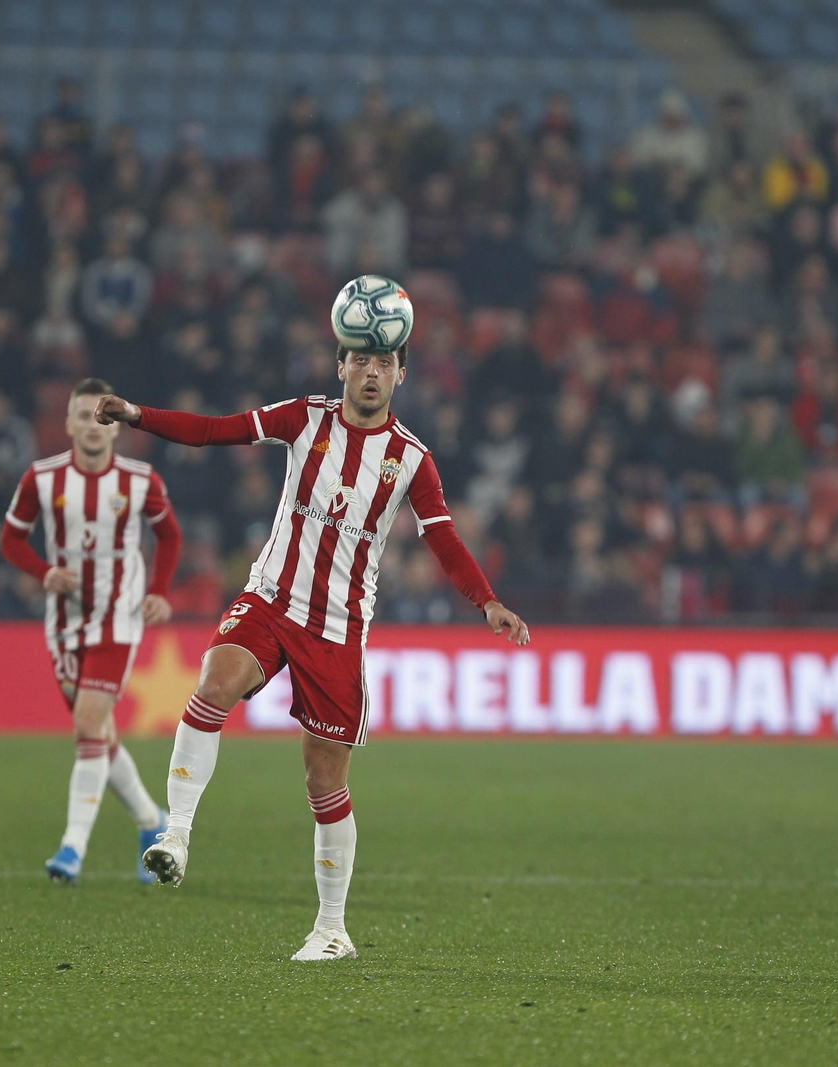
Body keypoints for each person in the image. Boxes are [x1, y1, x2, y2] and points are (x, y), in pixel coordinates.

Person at [92, 286, 530, 961]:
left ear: (401, 373)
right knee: (214, 684)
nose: (372, 371)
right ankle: (175, 833)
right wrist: (137, 415)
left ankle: (332, 929)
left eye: (384, 362)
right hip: (271, 599)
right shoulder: (304, 419)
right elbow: (216, 430)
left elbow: (442, 538)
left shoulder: (412, 459)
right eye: (361, 359)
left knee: (324, 783)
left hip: (337, 628)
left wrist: (487, 601)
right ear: (341, 364)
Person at [0, 378, 184, 886]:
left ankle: (72, 848)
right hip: (63, 622)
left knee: (87, 724)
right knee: (98, 733)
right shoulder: (42, 478)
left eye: (104, 416)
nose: (94, 425)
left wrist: (158, 590)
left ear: (117, 426)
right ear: (68, 424)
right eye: (84, 415)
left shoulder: (140, 480)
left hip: (118, 618)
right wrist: (43, 573)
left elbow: (170, 536)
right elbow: (11, 539)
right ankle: (150, 820)